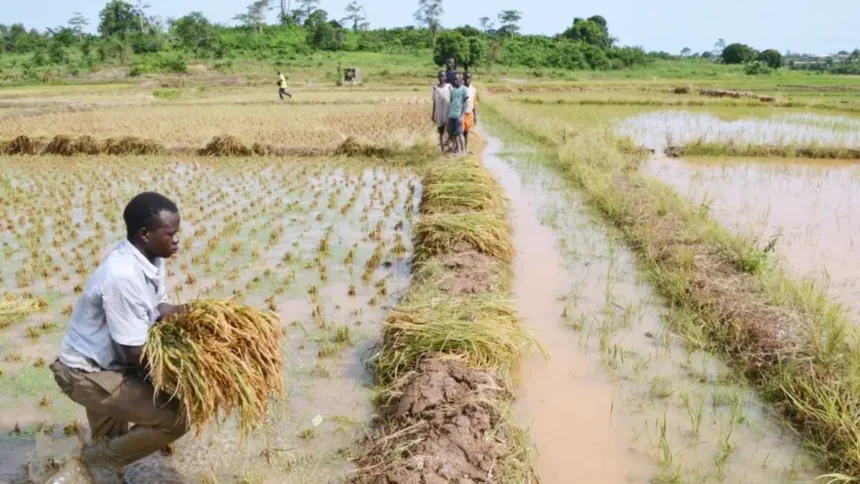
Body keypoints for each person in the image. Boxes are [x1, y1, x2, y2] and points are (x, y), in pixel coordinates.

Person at [50, 192, 188, 484]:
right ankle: (96, 461)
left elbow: (157, 308)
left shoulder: (150, 257)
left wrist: (189, 313)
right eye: (170, 234)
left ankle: (88, 468)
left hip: (104, 364)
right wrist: (184, 378)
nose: (177, 240)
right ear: (144, 233)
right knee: (175, 419)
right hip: (89, 373)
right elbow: (135, 354)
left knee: (109, 454)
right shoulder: (123, 276)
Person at [447, 73, 470, 156]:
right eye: (454, 79)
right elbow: (451, 102)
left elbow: (466, 103)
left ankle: (463, 151)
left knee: (460, 133)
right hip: (452, 115)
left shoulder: (464, 89)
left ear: (461, 80)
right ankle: (458, 150)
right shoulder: (452, 90)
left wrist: (462, 115)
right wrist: (449, 115)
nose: (455, 80)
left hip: (458, 115)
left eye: (457, 79)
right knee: (455, 133)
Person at [431, 70, 452, 153]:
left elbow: (452, 99)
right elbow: (434, 101)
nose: (441, 78)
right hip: (439, 112)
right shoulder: (435, 88)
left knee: (449, 129)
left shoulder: (449, 87)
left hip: (447, 111)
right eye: (440, 76)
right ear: (438, 77)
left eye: (443, 76)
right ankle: (442, 147)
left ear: (446, 77)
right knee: (440, 130)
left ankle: (450, 144)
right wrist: (433, 113)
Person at [463, 72, 478, 151]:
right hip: (461, 114)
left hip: (469, 114)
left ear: (471, 79)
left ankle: (464, 149)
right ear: (463, 78)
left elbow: (474, 103)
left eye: (468, 78)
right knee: (460, 132)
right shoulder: (461, 88)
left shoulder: (473, 90)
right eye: (465, 78)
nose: (467, 79)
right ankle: (460, 149)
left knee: (466, 132)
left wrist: (475, 116)